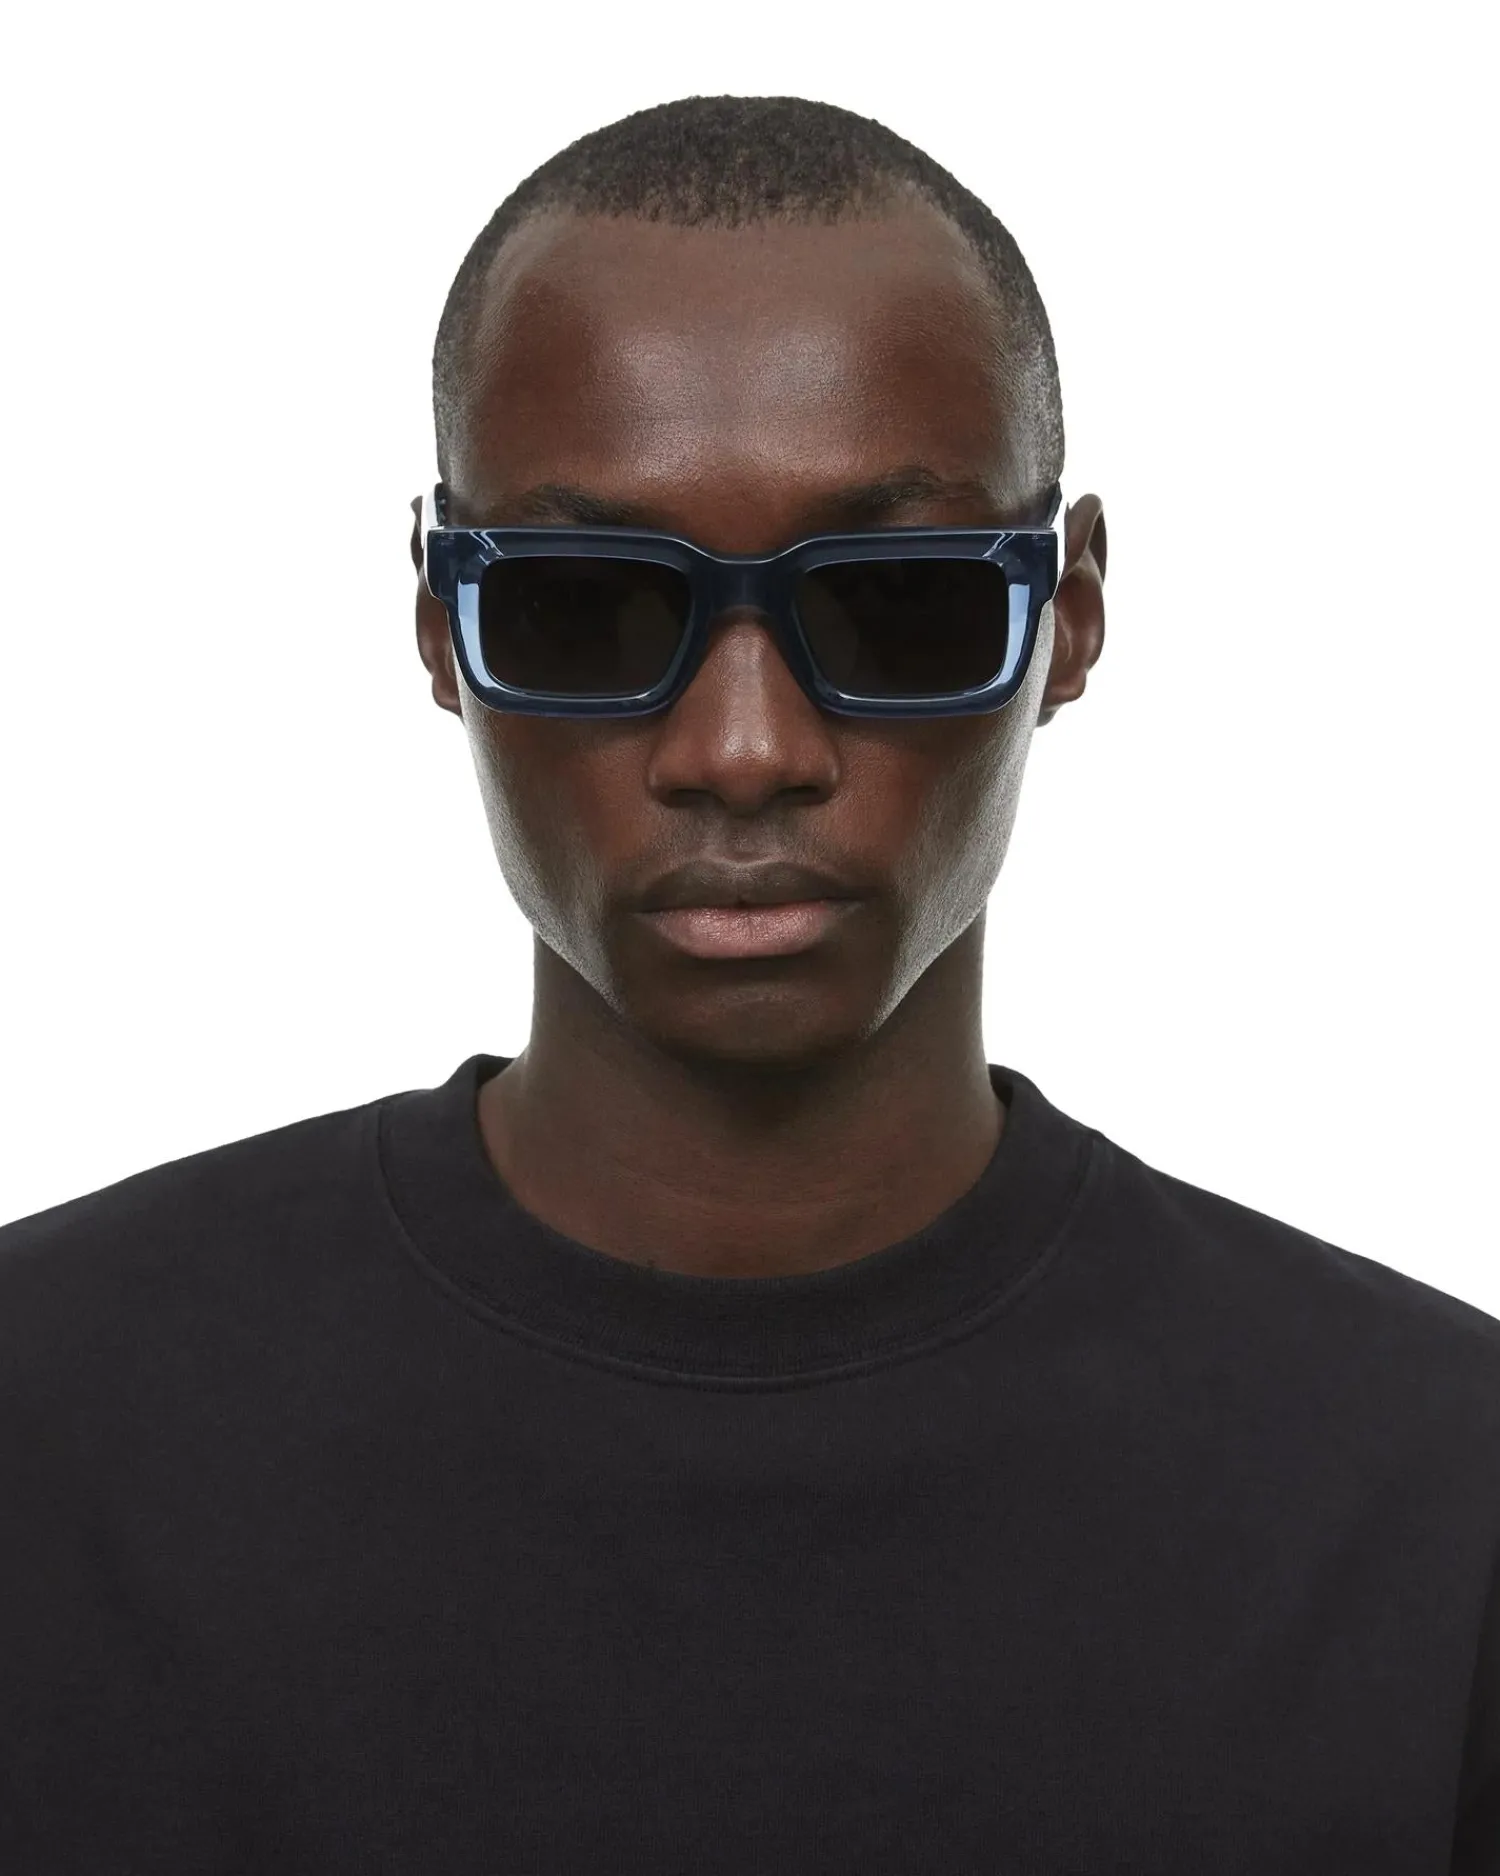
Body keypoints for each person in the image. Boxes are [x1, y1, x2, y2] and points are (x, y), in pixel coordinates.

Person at [1, 92, 1495, 1875]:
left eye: (897, 604)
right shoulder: (47, 1428)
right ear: (438, 629)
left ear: (1072, 615)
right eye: (582, 605)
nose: (743, 750)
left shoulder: (1437, 1503)